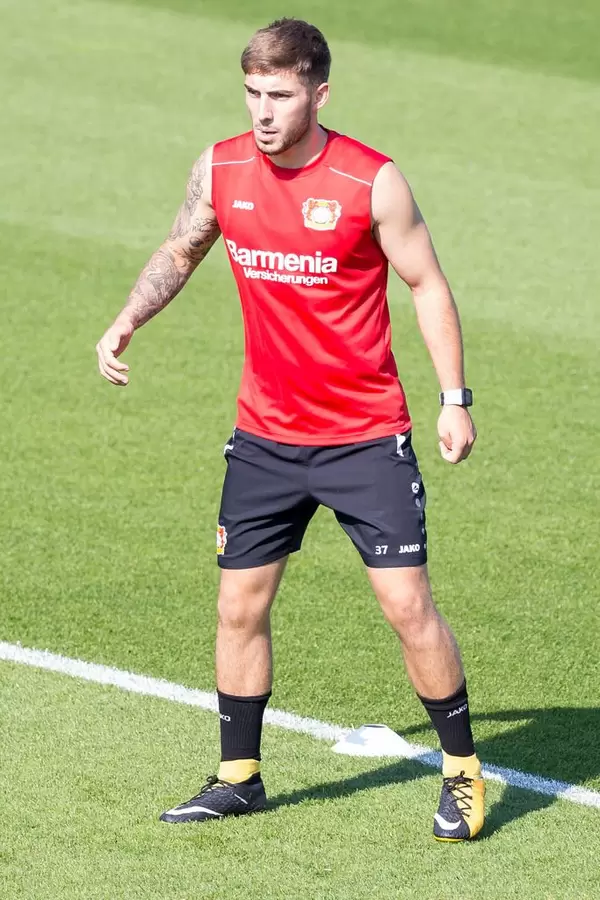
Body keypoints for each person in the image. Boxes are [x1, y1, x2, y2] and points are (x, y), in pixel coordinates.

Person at [96, 18, 484, 841]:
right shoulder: (221, 167)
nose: (263, 111)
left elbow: (426, 284)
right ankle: (239, 777)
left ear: (319, 93)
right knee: (239, 604)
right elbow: (182, 247)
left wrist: (454, 397)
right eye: (252, 93)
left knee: (407, 604)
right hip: (265, 437)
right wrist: (128, 318)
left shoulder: (371, 181)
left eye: (279, 94)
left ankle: (462, 771)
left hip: (364, 436)